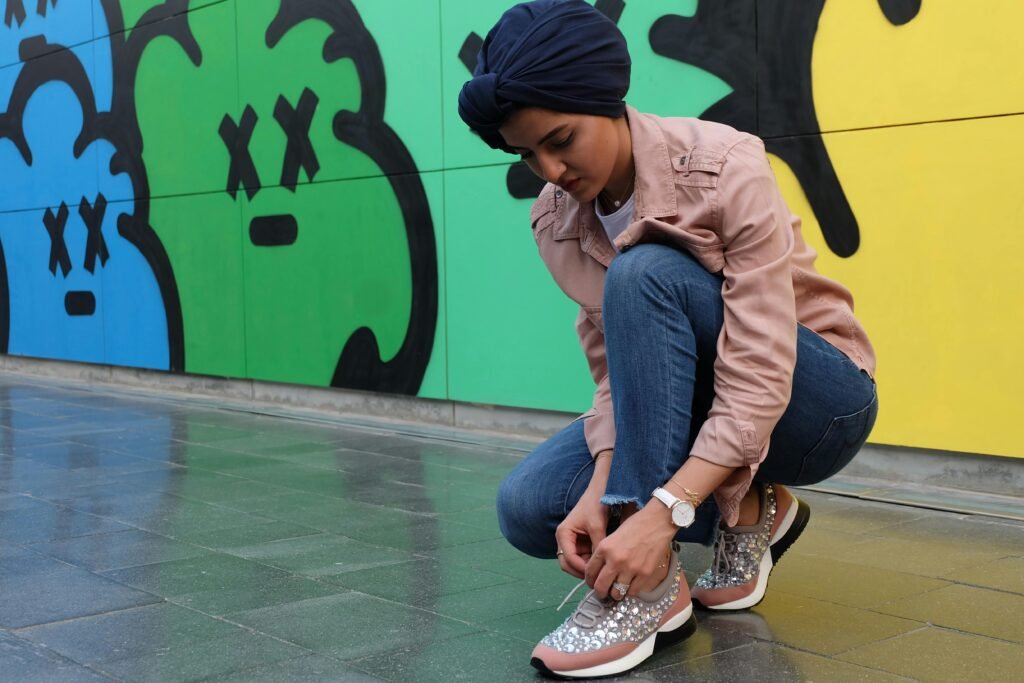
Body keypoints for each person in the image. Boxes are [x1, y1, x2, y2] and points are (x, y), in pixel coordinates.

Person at [458, 0, 878, 678]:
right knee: (530, 506)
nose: (551, 170)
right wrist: (604, 485)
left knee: (645, 271)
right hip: (700, 402)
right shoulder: (555, 221)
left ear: (606, 101)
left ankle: (647, 586)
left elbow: (760, 370)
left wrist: (658, 514)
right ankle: (747, 508)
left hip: (816, 403)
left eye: (561, 140)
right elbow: (615, 376)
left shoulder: (724, 164)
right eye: (527, 154)